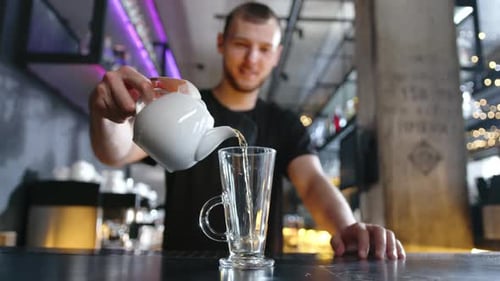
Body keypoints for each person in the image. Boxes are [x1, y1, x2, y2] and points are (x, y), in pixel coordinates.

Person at [89, 2, 405, 260]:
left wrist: (346, 226)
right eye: (242, 44)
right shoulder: (181, 108)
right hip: (180, 270)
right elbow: (115, 152)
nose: (252, 59)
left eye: (264, 48)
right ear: (221, 43)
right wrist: (107, 115)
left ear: (277, 54)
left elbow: (312, 183)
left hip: (255, 271)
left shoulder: (284, 124)